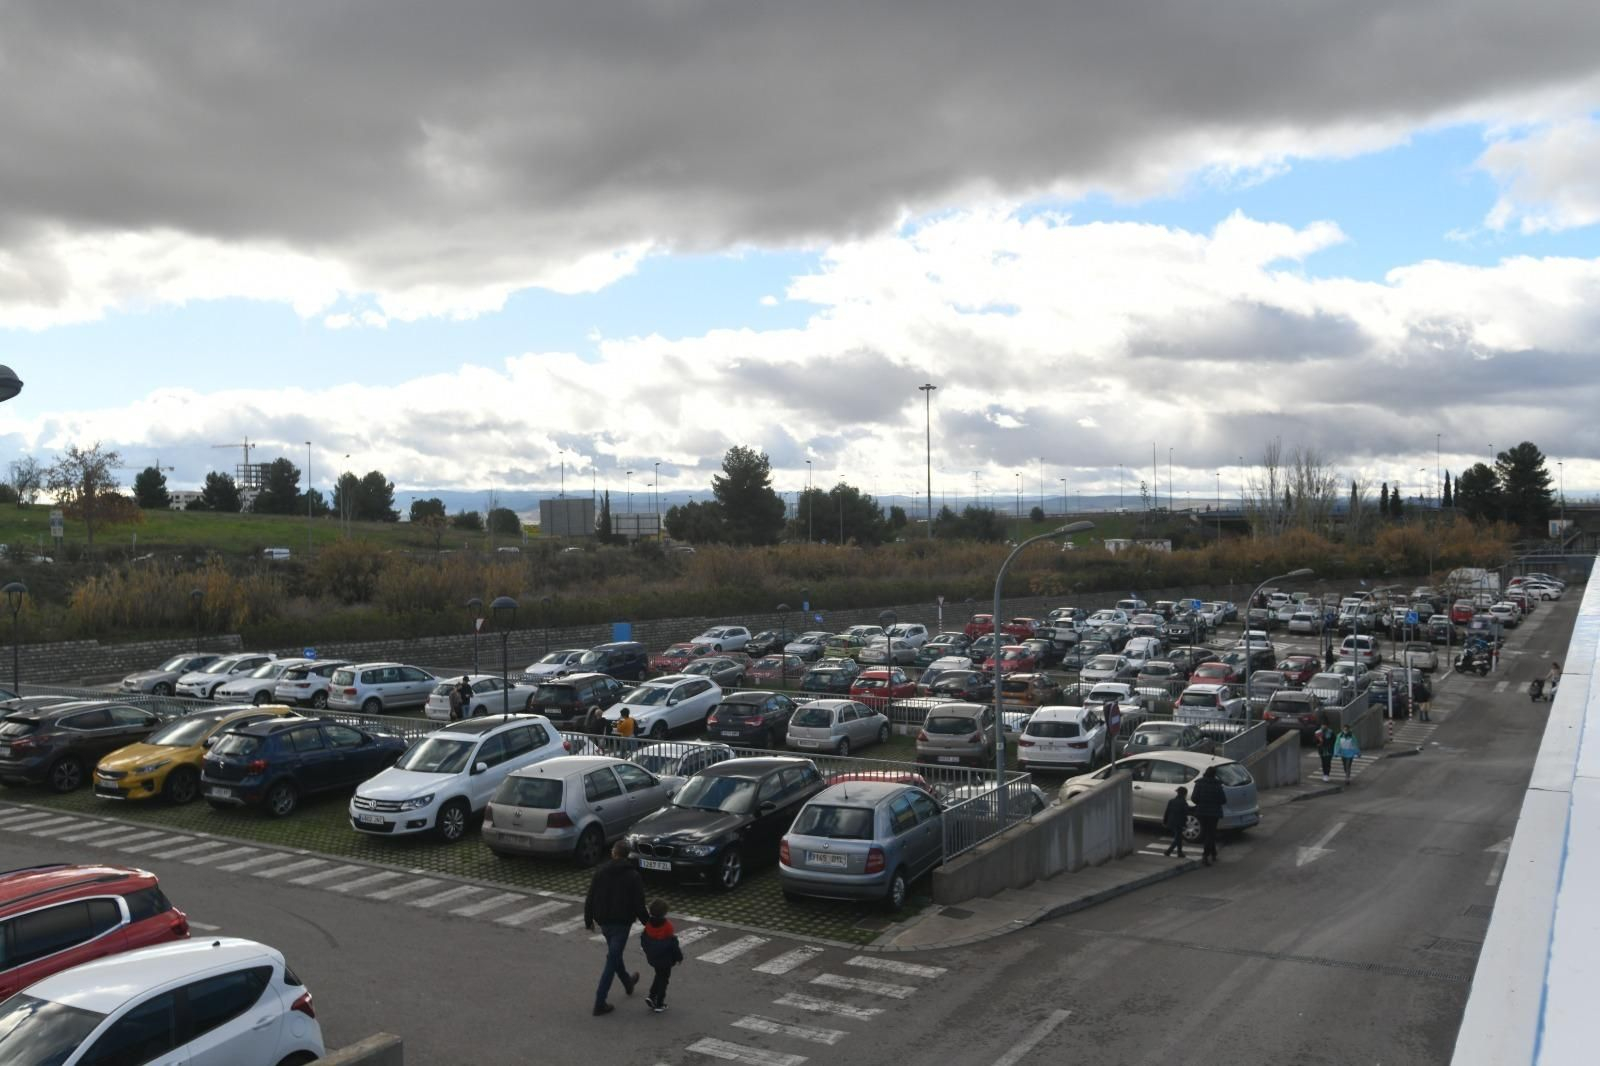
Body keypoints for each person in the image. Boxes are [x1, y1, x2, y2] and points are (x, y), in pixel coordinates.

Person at [584, 840, 649, 1017]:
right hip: (621, 923)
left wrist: (588, 919)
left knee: (614, 954)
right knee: (612, 959)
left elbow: (591, 896)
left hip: (603, 921)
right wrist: (649, 924)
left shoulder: (600, 871)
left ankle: (628, 983)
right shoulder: (633, 876)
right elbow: (639, 904)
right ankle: (599, 1002)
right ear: (627, 855)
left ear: (614, 853)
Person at [639, 898, 685, 1013]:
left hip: (653, 957)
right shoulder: (668, 926)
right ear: (665, 912)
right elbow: (673, 944)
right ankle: (659, 1003)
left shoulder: (648, 924)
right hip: (665, 959)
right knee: (664, 979)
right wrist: (679, 957)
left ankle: (651, 996)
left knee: (659, 975)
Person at [1190, 767, 1226, 866]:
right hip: (1214, 813)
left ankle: (1213, 853)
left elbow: (1194, 798)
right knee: (1211, 833)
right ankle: (1205, 855)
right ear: (1214, 774)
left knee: (1207, 833)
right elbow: (1223, 800)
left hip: (1201, 812)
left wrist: (1201, 803)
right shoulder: (1217, 785)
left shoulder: (1199, 783)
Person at [1162, 785, 1190, 858]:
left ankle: (1179, 852)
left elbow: (1167, 812)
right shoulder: (1184, 803)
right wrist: (1185, 823)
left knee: (1179, 837)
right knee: (1178, 838)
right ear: (1185, 794)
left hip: (1171, 822)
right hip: (1179, 823)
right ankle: (1168, 851)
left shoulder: (1171, 801)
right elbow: (1185, 814)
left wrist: (1165, 821)